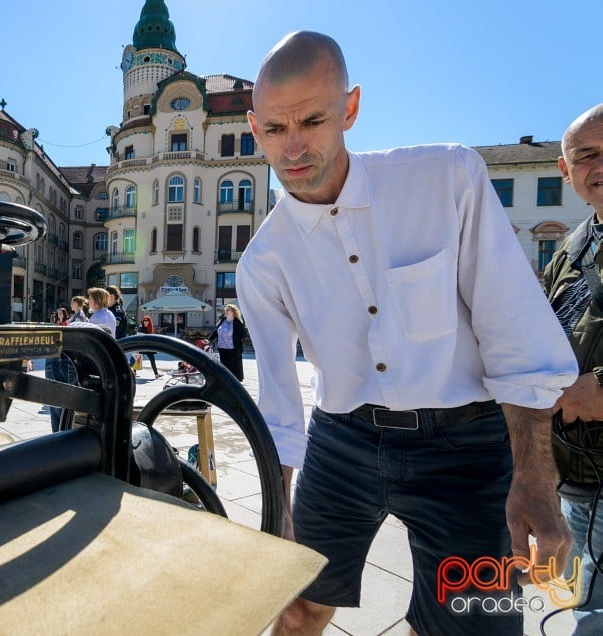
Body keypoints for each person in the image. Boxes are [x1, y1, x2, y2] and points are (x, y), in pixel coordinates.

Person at [236, 31, 577, 635]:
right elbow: (280, 401)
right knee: (296, 606)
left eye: (312, 121)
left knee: (472, 624)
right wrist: (276, 509)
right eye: (274, 129)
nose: (293, 149)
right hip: (341, 444)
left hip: (468, 450)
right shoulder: (263, 261)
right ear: (254, 127)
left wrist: (535, 477)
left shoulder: (446, 178)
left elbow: (515, 339)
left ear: (350, 108)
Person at [542, 103, 603, 632]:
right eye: (585, 156)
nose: (598, 165)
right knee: (580, 604)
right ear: (567, 170)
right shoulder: (569, 247)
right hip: (574, 479)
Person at [208, 304, 246, 381]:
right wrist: (209, 339)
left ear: (233, 312)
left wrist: (237, 340)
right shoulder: (223, 320)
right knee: (223, 366)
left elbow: (243, 334)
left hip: (232, 349)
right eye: (226, 310)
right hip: (221, 348)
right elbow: (216, 331)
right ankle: (224, 381)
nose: (226, 311)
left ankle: (231, 382)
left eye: (228, 310)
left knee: (231, 368)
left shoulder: (237, 322)